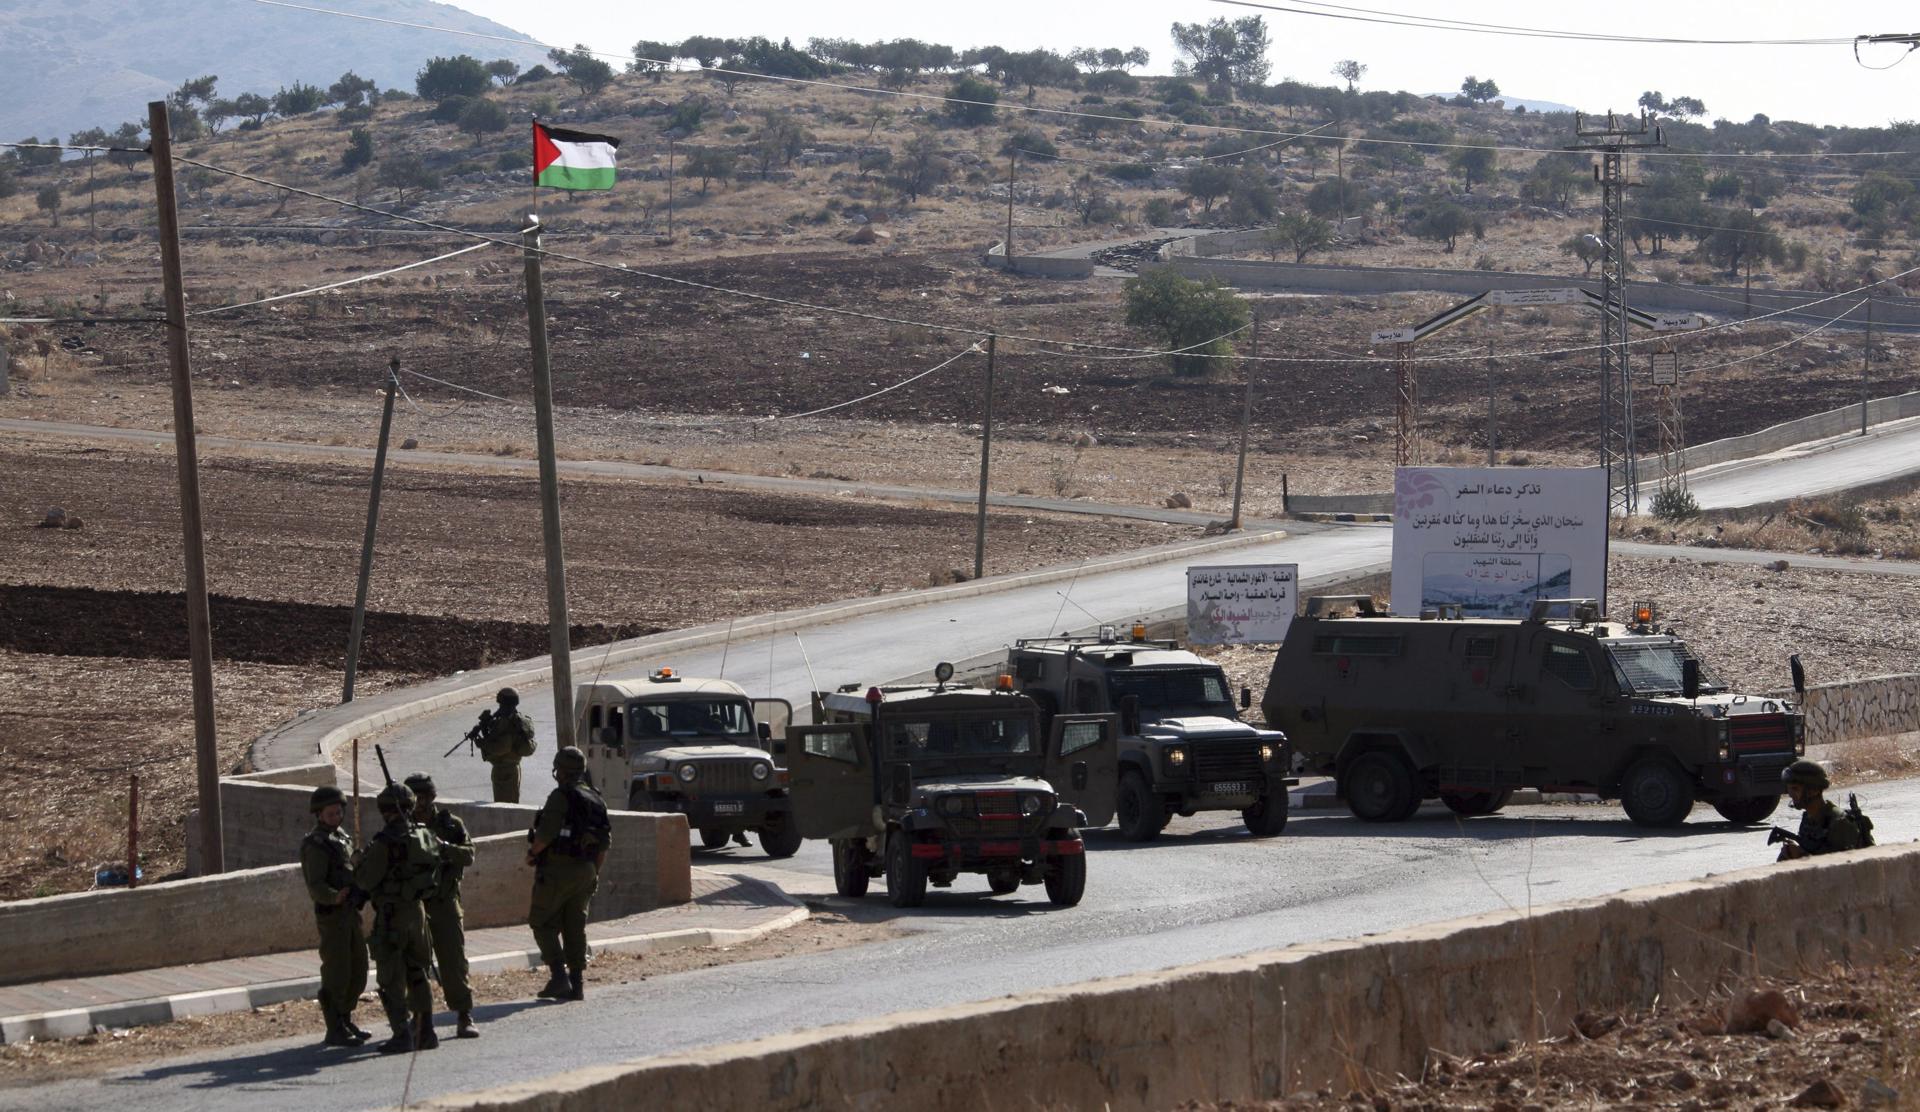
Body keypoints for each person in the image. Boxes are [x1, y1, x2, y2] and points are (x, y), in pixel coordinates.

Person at [354, 782, 445, 1053]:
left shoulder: (384, 843)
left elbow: (366, 880)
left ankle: (402, 1033)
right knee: (418, 972)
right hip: (417, 912)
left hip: (392, 914)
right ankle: (425, 1031)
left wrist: (358, 862)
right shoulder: (424, 834)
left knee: (391, 977)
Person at [526, 746, 611, 1002]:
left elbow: (545, 834)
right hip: (586, 870)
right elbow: (604, 843)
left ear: (560, 770)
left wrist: (532, 854)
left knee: (541, 922)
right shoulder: (596, 797)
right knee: (575, 926)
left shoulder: (560, 796)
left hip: (558, 870)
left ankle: (558, 976)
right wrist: (594, 872)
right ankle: (577, 983)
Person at [405, 772, 480, 1039]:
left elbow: (469, 855)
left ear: (432, 796)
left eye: (423, 797)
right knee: (415, 963)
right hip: (415, 904)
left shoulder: (450, 824)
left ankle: (463, 1014)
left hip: (445, 903)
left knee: (453, 961)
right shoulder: (403, 829)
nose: (419, 803)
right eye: (414, 798)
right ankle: (420, 1017)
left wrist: (443, 847)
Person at [298, 785, 370, 1048]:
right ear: (319, 815)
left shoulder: (343, 837)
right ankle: (334, 1026)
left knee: (358, 968)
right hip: (333, 916)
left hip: (351, 912)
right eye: (330, 814)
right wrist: (334, 896)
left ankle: (346, 1017)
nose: (336, 818)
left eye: (338, 813)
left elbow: (351, 868)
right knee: (337, 971)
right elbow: (314, 884)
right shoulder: (315, 845)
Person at [1777, 759, 1865, 861]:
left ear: (1814, 791)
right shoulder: (1809, 818)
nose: (1790, 794)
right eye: (1789, 789)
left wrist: (1802, 856)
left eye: (1795, 789)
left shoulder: (1839, 822)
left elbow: (1842, 867)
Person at [477, 687, 538, 803]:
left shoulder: (507, 722)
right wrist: (485, 727)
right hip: (508, 768)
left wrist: (482, 744)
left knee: (505, 807)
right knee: (509, 804)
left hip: (504, 771)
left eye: (500, 703)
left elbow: (502, 748)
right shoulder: (513, 719)